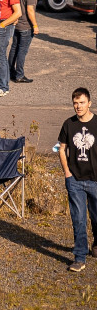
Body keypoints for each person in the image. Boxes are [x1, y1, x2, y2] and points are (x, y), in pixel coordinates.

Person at [59, 87, 97, 272]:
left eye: (81, 102)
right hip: (74, 180)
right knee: (79, 219)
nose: (78, 106)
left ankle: (96, 244)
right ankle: (79, 257)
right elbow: (61, 148)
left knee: (96, 217)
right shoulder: (69, 124)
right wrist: (67, 172)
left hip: (95, 180)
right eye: (75, 103)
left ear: (89, 103)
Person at [9, 0, 39, 84]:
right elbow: (30, 10)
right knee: (22, 50)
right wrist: (35, 26)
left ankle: (10, 72)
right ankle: (19, 75)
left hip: (16, 23)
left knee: (14, 48)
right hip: (26, 25)